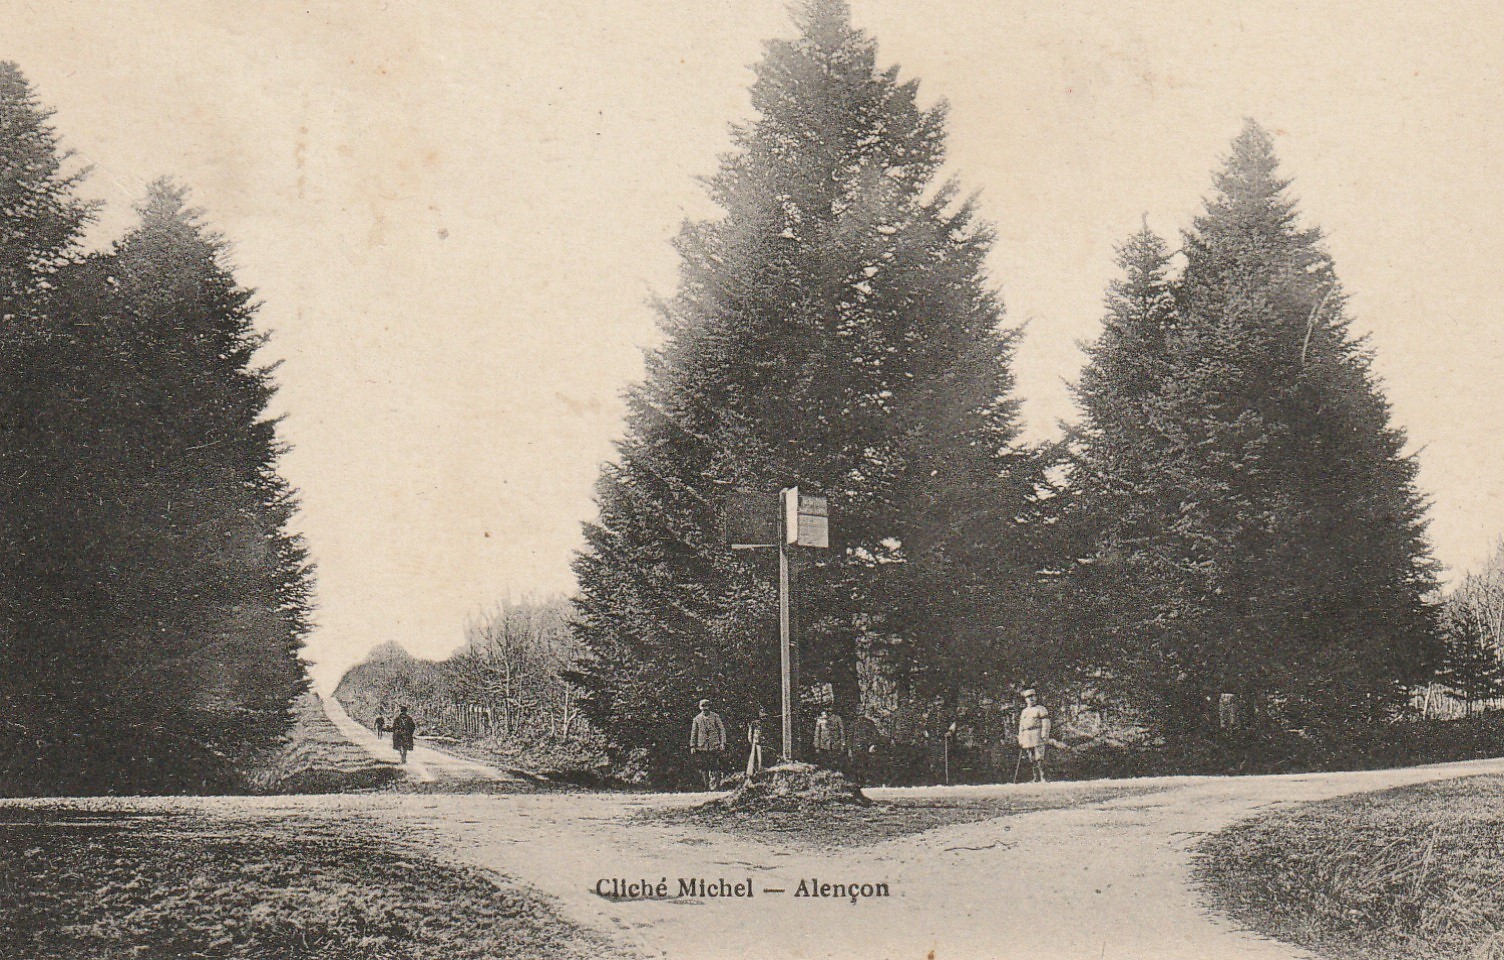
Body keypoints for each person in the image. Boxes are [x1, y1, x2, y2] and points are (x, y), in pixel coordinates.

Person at [689, 698, 728, 789]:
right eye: (702, 707)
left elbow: (721, 730)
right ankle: (706, 786)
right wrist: (693, 746)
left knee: (715, 766)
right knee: (704, 766)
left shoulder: (715, 717)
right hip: (702, 746)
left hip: (714, 745)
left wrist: (722, 743)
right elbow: (694, 733)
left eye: (706, 707)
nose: (704, 709)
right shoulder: (697, 719)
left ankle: (716, 785)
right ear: (700, 708)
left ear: (709, 707)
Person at [1016, 688, 1051, 783]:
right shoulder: (1024, 711)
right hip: (1027, 735)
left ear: (1036, 697)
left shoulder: (1041, 709)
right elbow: (1021, 726)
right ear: (1025, 699)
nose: (1031, 699)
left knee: (1039, 756)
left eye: (1033, 696)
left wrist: (1044, 733)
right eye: (1028, 697)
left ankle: (1043, 777)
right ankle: (1035, 777)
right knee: (1031, 757)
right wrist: (1021, 737)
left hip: (1037, 734)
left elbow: (1046, 723)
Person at [746, 706, 768, 779]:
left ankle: (761, 771)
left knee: (761, 757)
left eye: (765, 716)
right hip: (756, 742)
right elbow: (750, 732)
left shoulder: (766, 724)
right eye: (762, 715)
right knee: (754, 757)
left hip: (763, 743)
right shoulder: (754, 723)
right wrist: (751, 740)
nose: (764, 718)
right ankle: (752, 773)